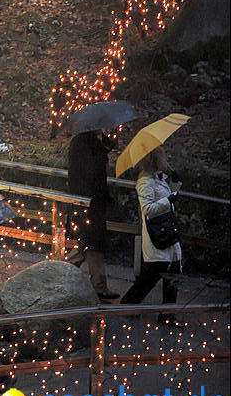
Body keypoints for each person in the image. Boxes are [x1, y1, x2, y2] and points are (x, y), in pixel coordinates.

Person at [120, 147, 182, 323]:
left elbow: (164, 198)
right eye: (163, 158)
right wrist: (169, 199)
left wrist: (175, 187)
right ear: (156, 161)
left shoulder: (157, 178)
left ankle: (167, 313)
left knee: (173, 271)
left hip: (167, 232)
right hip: (158, 234)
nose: (166, 161)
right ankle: (129, 304)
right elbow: (148, 209)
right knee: (154, 274)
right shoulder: (145, 182)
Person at [67, 127, 119, 300]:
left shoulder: (86, 142)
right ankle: (96, 285)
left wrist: (105, 148)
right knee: (91, 244)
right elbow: (90, 171)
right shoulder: (82, 144)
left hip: (90, 203)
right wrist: (104, 152)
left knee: (88, 245)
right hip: (88, 203)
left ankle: (97, 284)